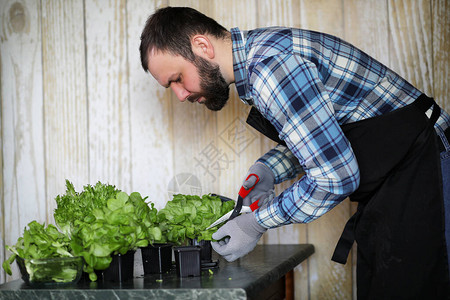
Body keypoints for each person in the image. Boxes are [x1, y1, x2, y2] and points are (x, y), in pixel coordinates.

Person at [139, 6, 450, 299]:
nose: (180, 95)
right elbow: (322, 132)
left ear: (202, 46)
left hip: (425, 165)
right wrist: (269, 170)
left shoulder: (273, 70)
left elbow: (336, 178)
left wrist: (256, 222)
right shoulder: (263, 55)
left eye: (177, 79)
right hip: (398, 169)